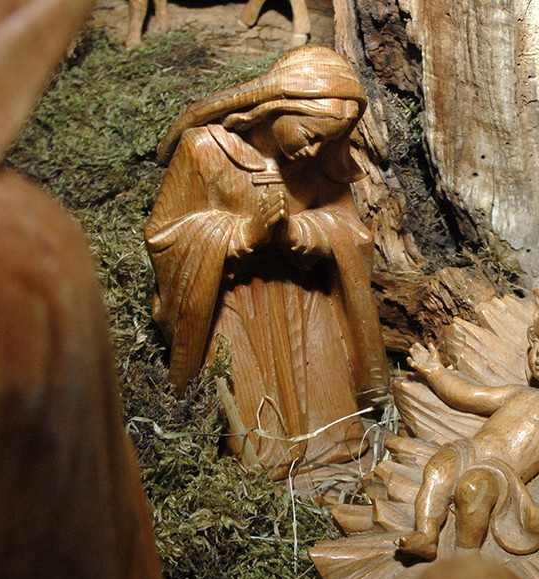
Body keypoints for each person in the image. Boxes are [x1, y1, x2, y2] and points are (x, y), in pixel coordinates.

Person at [144, 46, 388, 484]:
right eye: (310, 134)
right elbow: (164, 234)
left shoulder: (319, 162)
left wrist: (301, 231)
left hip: (305, 293)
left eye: (328, 141)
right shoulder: (205, 150)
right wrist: (243, 235)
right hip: (228, 301)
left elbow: (352, 233)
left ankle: (334, 459)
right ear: (276, 106)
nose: (315, 150)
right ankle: (268, 470)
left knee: (334, 421)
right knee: (256, 427)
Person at [397, 291, 539, 559]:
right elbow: (469, 395)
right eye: (538, 341)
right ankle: (426, 534)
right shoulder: (516, 392)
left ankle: (466, 556)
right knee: (438, 468)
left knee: (473, 488)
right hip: (471, 450)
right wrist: (436, 372)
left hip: (499, 472)